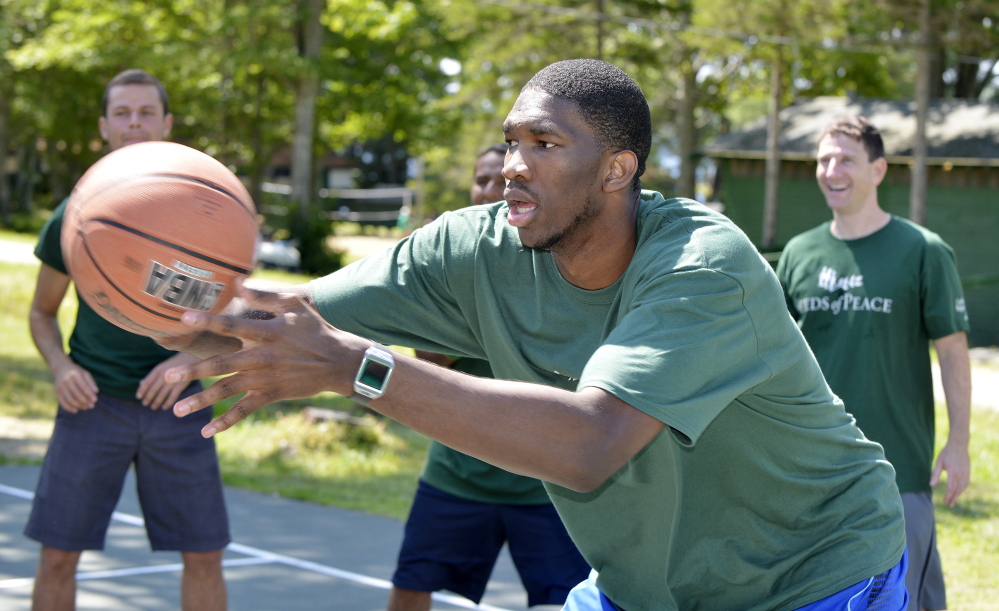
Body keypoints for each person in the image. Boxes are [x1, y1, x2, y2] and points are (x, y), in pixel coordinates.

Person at [165, 59, 908, 610]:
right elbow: (275, 324)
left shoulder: (701, 265)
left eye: (544, 144)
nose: (514, 167)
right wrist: (161, 288)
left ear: (617, 169)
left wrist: (359, 367)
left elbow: (589, 445)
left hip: (814, 573)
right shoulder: (469, 250)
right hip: (646, 588)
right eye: (511, 142)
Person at [25, 69, 229, 611]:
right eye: (122, 113)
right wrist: (62, 369)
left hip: (182, 406)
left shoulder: (210, 215)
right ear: (104, 126)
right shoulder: (75, 215)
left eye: (145, 112)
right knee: (58, 555)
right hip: (93, 406)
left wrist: (185, 359)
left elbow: (238, 320)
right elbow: (42, 312)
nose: (133, 123)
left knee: (204, 555)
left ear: (166, 123)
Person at [775, 115, 971, 611]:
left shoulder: (922, 250)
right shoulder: (799, 253)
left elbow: (952, 351)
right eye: (823, 159)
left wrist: (960, 443)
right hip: (812, 470)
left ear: (878, 170)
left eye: (845, 159)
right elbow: (772, 357)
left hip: (897, 470)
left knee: (909, 601)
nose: (831, 170)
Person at [387, 144, 590, 611]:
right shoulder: (452, 254)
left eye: (501, 180)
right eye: (481, 180)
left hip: (545, 483)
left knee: (569, 601)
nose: (490, 189)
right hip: (458, 474)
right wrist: (440, 277)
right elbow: (433, 361)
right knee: (411, 585)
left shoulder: (561, 256)